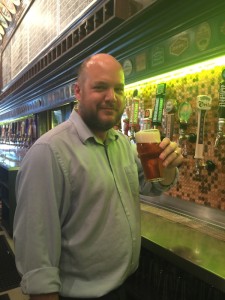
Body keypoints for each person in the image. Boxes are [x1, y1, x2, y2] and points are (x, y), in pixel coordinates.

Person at [13, 53, 183, 300]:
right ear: (78, 92)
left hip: (124, 287)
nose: (111, 97)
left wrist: (167, 169)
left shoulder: (122, 144)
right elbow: (36, 252)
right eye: (100, 87)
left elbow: (150, 187)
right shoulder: (49, 152)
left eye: (119, 89)